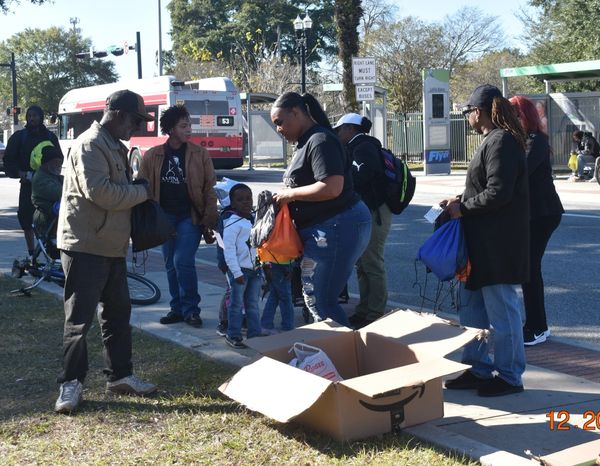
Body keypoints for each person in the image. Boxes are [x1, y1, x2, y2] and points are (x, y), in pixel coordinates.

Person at [55, 90, 157, 414]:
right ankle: (70, 384)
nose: (137, 128)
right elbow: (103, 194)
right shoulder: (89, 144)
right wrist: (141, 191)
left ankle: (120, 376)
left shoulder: (116, 146)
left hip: (112, 246)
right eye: (135, 121)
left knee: (117, 315)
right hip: (84, 246)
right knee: (78, 320)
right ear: (118, 114)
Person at [442, 84, 529, 397]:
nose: (466, 117)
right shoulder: (494, 140)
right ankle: (477, 369)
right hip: (479, 243)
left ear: (476, 111)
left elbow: (499, 192)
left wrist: (461, 208)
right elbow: (486, 187)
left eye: (466, 112)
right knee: (472, 310)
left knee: (503, 312)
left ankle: (509, 376)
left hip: (498, 246)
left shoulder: (502, 141)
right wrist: (458, 199)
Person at [271, 92, 371, 327]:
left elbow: (332, 187)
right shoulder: (307, 141)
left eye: (280, 122)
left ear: (296, 112)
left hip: (335, 226)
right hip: (327, 229)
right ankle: (336, 353)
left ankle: (342, 357)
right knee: (317, 298)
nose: (278, 129)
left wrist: (288, 195)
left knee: (322, 300)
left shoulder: (320, 140)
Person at [138, 105, 217, 328]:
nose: (189, 129)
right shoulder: (153, 155)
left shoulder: (199, 154)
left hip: (189, 217)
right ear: (170, 129)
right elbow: (143, 185)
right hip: (163, 217)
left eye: (189, 125)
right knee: (170, 264)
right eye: (183, 126)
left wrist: (210, 216)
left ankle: (191, 310)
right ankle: (176, 309)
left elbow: (209, 187)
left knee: (182, 261)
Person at [510, 96, 564, 346]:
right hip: (534, 213)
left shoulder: (536, 140)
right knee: (528, 268)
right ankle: (535, 324)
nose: (511, 118)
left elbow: (521, 171)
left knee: (530, 269)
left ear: (525, 115)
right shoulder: (524, 140)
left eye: (514, 113)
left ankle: (537, 327)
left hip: (543, 213)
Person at [333, 113, 391, 329]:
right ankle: (364, 309)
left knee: (372, 261)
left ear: (350, 129)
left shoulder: (364, 146)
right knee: (362, 263)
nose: (337, 134)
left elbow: (364, 175)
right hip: (367, 211)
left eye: (339, 130)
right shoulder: (359, 146)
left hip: (375, 212)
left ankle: (375, 312)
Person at [4, 105, 62, 258]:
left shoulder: (50, 137)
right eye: (29, 116)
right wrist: (19, 173)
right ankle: (32, 254)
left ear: (41, 117)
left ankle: (51, 252)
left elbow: (59, 158)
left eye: (35, 115)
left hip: (47, 185)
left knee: (51, 220)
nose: (32, 118)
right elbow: (9, 160)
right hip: (28, 186)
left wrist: (53, 172)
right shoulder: (19, 137)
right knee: (26, 221)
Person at [223, 184, 262, 348]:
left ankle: (255, 335)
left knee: (253, 304)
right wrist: (236, 272)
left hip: (256, 270)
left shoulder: (253, 220)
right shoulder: (232, 225)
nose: (246, 202)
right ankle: (233, 334)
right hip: (240, 272)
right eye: (240, 200)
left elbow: (259, 247)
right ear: (233, 204)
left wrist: (264, 265)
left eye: (248, 198)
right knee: (237, 305)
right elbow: (229, 251)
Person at [31, 145, 63, 238]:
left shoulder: (53, 174)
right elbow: (60, 193)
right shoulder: (41, 178)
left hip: (55, 218)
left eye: (60, 163)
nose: (59, 166)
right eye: (56, 163)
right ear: (47, 163)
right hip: (46, 219)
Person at [260, 259, 295, 334]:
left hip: (276, 262)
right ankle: (287, 327)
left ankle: (266, 325)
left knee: (274, 295)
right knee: (285, 298)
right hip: (280, 262)